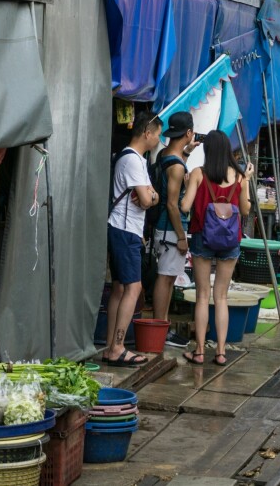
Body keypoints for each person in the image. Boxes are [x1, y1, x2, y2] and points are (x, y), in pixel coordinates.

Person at [180, 131, 254, 366]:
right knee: (221, 297)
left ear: (207, 150)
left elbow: (184, 207)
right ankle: (221, 352)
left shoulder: (198, 174)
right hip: (230, 241)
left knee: (203, 296)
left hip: (203, 238)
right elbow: (245, 211)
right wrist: (247, 184)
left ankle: (199, 352)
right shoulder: (241, 177)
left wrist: (186, 185)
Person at [104, 112, 161, 367]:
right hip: (126, 229)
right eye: (158, 133)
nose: (159, 139)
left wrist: (150, 196)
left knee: (118, 288)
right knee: (134, 288)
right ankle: (117, 347)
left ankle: (110, 347)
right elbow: (149, 199)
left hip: (120, 227)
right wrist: (149, 196)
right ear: (147, 133)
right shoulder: (133, 160)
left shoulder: (134, 158)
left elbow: (152, 195)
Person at [150, 112, 197, 349]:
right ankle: (159, 327)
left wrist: (187, 152)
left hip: (163, 226)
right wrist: (181, 237)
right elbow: (171, 203)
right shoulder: (177, 167)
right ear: (188, 133)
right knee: (166, 278)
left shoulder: (164, 155)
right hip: (170, 230)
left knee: (168, 278)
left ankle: (163, 326)